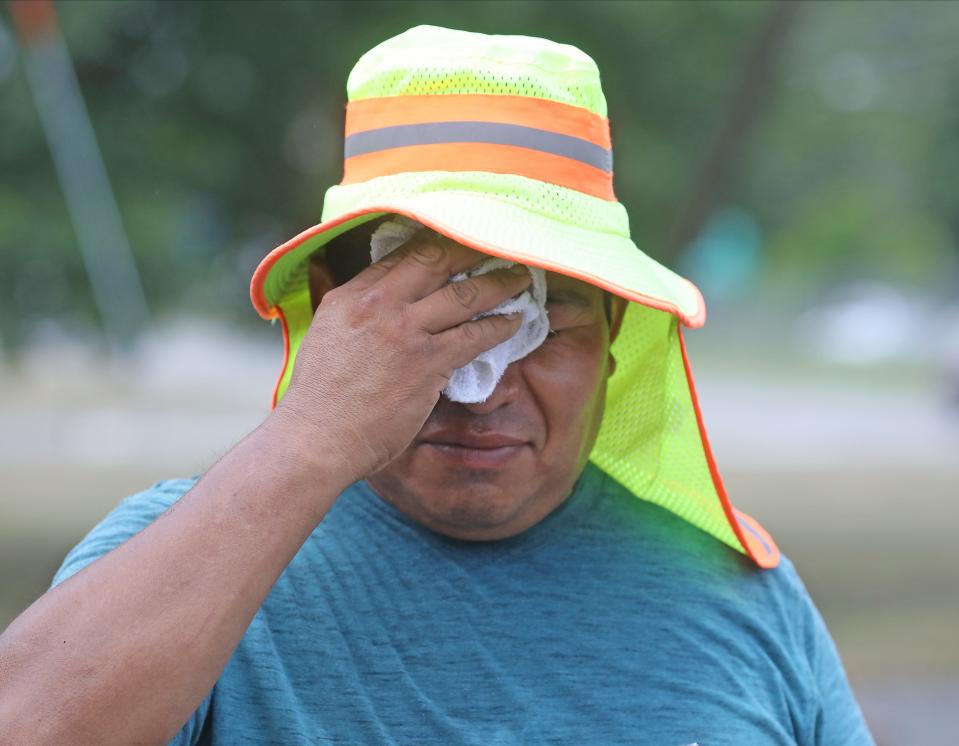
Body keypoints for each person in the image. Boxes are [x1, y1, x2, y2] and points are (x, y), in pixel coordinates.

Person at [0, 26, 873, 745]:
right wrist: (314, 436)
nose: (477, 389)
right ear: (334, 323)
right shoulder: (173, 563)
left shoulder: (737, 594)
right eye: (423, 324)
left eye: (535, 323)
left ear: (613, 335)